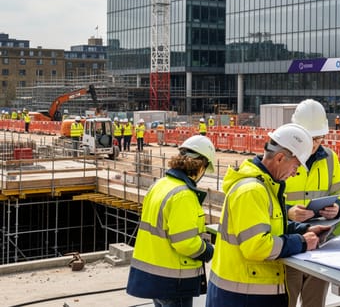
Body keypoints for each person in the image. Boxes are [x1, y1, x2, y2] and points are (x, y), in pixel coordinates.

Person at [206, 124, 328, 307]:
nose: (295, 174)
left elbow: (271, 226)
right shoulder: (252, 191)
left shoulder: (266, 186)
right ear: (280, 158)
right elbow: (257, 246)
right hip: (243, 297)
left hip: (248, 293)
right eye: (295, 166)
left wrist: (306, 229)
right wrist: (302, 242)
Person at [127, 135, 216, 307]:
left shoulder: (159, 185)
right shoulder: (183, 195)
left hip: (154, 276)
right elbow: (185, 243)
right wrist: (208, 251)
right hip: (174, 279)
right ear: (200, 166)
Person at [285, 100, 340, 307]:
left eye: (318, 138)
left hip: (319, 242)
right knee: (285, 299)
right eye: (309, 138)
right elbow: (265, 199)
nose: (313, 144)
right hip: (290, 241)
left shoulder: (330, 157)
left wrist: (338, 206)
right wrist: (288, 212)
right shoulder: (282, 157)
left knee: (315, 303)